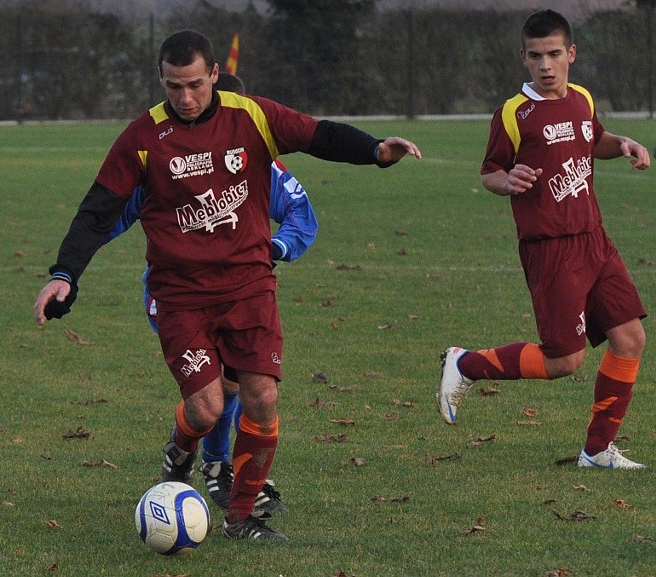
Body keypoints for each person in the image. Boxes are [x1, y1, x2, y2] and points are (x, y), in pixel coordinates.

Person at [34, 29, 421, 541]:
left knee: (261, 398)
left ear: (214, 74)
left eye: (195, 84)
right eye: (173, 87)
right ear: (161, 81)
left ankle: (240, 516)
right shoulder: (143, 138)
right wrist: (65, 274)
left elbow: (317, 134)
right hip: (180, 296)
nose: (186, 98)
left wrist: (374, 150)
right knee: (208, 407)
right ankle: (180, 448)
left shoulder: (251, 115)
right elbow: (99, 209)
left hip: (248, 288)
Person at [437, 9, 650, 470]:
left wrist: (625, 143)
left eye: (554, 54)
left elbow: (593, 140)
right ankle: (465, 364)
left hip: (594, 239)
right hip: (550, 248)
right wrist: (507, 178)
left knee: (630, 337)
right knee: (564, 361)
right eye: (536, 57)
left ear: (571, 54)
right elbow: (490, 172)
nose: (546, 65)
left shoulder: (581, 100)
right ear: (524, 58)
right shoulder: (514, 114)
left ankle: (596, 451)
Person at [106, 72, 317, 517]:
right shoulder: (164, 159)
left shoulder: (262, 160)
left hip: (240, 290)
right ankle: (213, 463)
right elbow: (111, 212)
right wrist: (72, 265)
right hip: (178, 294)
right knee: (219, 388)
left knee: (243, 384)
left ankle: (223, 473)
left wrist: (276, 247)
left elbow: (301, 212)